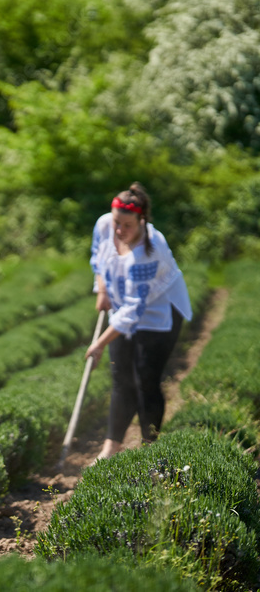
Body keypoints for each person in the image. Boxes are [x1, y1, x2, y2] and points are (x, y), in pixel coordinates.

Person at [85, 182, 192, 460]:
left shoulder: (150, 251)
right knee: (121, 378)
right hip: (122, 304)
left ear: (142, 220)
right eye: (117, 222)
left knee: (146, 378)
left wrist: (98, 344)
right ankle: (110, 447)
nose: (119, 230)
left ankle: (149, 448)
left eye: (127, 225)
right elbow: (98, 257)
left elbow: (134, 310)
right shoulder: (106, 224)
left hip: (159, 314)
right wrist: (103, 289)